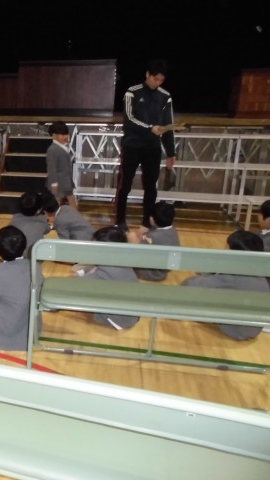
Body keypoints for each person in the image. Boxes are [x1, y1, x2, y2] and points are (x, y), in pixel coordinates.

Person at [115, 59, 176, 230]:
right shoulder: (132, 92)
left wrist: (171, 152)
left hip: (153, 148)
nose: (158, 83)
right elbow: (129, 119)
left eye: (161, 80)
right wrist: (150, 128)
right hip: (132, 146)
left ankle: (147, 222)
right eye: (156, 79)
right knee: (125, 184)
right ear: (148, 74)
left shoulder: (165, 96)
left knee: (151, 186)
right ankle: (120, 221)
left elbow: (168, 125)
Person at [182, 230, 270, 340]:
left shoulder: (233, 278)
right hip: (253, 328)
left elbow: (190, 285)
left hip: (236, 330)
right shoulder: (259, 273)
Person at [74, 226, 140, 330]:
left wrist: (83, 276)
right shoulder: (121, 259)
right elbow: (95, 266)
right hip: (131, 314)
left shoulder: (107, 271)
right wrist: (82, 272)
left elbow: (75, 286)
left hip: (118, 319)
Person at [128, 201, 180, 281]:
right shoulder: (173, 230)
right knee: (139, 234)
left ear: (152, 219)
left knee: (131, 235)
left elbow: (141, 252)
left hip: (151, 272)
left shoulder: (153, 237)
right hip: (164, 268)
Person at [46, 121, 77, 209]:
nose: (65, 137)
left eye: (66, 134)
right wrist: (54, 184)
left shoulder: (64, 147)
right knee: (56, 202)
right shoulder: (52, 150)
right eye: (62, 135)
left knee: (71, 200)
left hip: (66, 182)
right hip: (58, 183)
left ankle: (74, 215)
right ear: (54, 135)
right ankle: (52, 216)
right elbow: (52, 168)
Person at [10, 191, 51, 257]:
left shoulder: (15, 218)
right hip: (35, 256)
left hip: (15, 254)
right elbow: (47, 230)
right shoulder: (42, 220)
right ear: (38, 210)